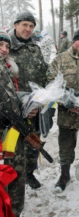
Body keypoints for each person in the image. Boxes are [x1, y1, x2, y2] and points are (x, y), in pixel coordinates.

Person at [47, 28, 79, 192]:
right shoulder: (60, 59)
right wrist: (66, 100)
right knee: (66, 146)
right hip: (66, 113)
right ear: (74, 40)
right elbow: (50, 82)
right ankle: (64, 175)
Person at [8, 11, 48, 189]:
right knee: (12, 144)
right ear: (15, 25)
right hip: (10, 108)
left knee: (32, 141)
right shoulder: (6, 47)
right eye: (24, 25)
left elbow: (42, 75)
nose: (28, 29)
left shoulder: (35, 49)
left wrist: (43, 98)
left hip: (33, 106)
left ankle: (29, 173)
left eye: (31, 26)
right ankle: (12, 176)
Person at [0, 33, 38, 217]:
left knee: (16, 175)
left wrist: (26, 105)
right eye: (0, 45)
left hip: (13, 134)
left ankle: (15, 212)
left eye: (7, 46)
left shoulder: (7, 70)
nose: (4, 49)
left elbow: (10, 99)